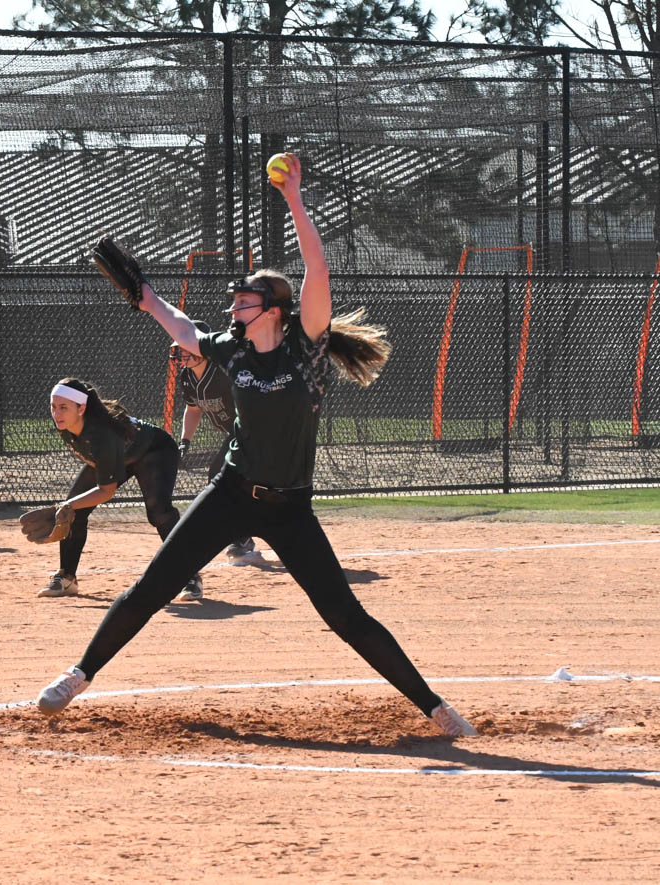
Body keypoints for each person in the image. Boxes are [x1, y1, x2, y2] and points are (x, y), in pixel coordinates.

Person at [36, 153, 477, 738]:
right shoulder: (234, 348)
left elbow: (317, 273)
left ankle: (436, 708)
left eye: (242, 301)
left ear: (272, 309)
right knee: (152, 587)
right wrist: (145, 296)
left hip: (290, 507)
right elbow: (181, 327)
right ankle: (78, 675)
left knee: (345, 615)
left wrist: (294, 199)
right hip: (231, 493)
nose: (232, 308)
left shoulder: (306, 350)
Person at [39, 377, 203, 602]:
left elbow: (106, 491)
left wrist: (68, 504)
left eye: (63, 407)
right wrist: (72, 505)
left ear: (81, 408)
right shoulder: (68, 426)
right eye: (54, 407)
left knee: (159, 512)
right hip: (121, 455)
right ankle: (66, 577)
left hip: (155, 450)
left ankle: (189, 575)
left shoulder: (101, 435)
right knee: (74, 510)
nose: (57, 413)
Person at [172, 319, 256, 562]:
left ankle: (240, 535)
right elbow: (193, 409)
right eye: (181, 347)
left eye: (188, 346)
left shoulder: (224, 371)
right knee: (234, 482)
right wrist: (185, 442)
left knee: (220, 475)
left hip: (253, 430)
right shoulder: (187, 376)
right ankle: (243, 534)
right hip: (237, 433)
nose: (182, 352)